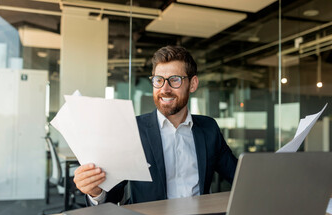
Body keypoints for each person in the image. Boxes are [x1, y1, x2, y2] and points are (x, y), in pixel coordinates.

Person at [73, 45, 237, 205]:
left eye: (175, 80)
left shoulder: (208, 128)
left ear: (193, 84)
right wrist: (96, 191)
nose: (165, 89)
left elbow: (238, 176)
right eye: (159, 80)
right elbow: (113, 194)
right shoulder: (133, 129)